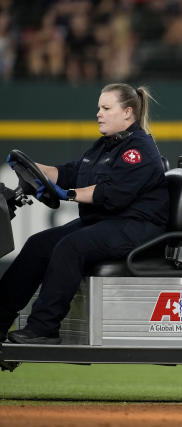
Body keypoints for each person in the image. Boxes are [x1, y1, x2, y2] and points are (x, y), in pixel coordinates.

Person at [0, 83, 169, 344]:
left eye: (106, 108)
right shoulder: (104, 146)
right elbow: (71, 172)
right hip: (106, 222)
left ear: (127, 112)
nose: (99, 113)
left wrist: (66, 194)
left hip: (138, 226)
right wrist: (35, 169)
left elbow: (111, 194)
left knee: (71, 247)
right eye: (98, 108)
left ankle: (43, 328)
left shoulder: (139, 150)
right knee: (38, 245)